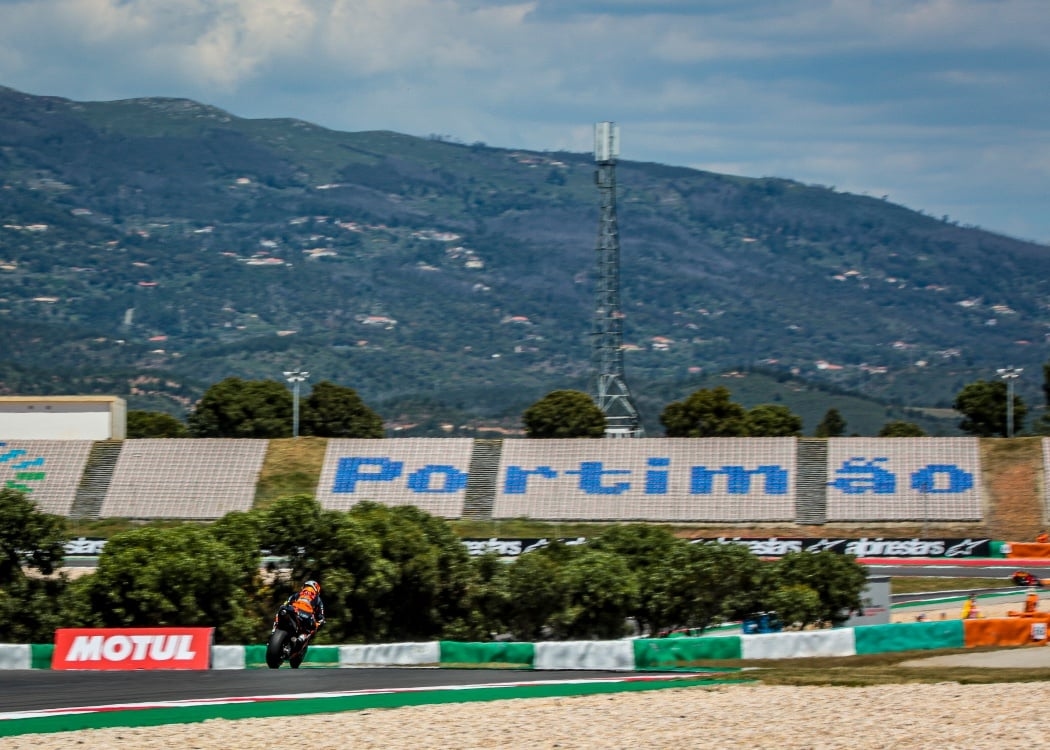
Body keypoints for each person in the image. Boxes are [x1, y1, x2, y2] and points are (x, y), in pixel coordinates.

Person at [286, 579, 325, 643]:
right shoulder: (318, 599)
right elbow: (321, 616)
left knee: (282, 610)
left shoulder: (298, 594)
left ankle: (274, 630)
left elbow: (288, 601)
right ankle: (303, 636)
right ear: (316, 589)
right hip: (307, 616)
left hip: (293, 610)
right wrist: (320, 622)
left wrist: (286, 607)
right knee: (313, 627)